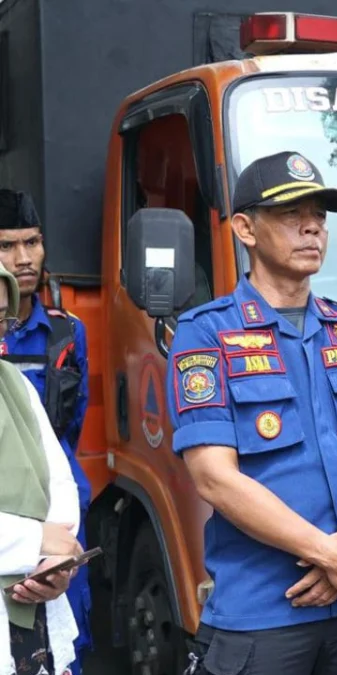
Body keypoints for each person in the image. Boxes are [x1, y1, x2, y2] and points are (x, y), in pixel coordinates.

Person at [167, 151, 337, 674]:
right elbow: (214, 478)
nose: (311, 229)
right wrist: (330, 555)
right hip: (265, 607)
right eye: (290, 215)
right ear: (244, 228)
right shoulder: (206, 331)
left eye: (320, 218)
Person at [0, 189, 92, 675]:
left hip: (60, 512)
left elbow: (69, 431)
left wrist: (56, 531)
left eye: (32, 243)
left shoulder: (64, 332)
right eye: (6, 246)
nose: (23, 258)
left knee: (62, 641)